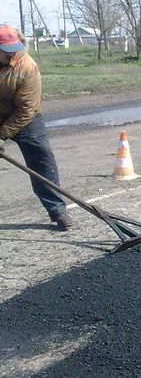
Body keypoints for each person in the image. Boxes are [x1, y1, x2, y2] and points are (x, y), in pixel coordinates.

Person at [0, 25, 73, 230]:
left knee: (42, 157)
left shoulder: (27, 66)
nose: (11, 53)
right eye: (6, 50)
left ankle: (57, 210)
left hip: (24, 118)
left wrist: (2, 135)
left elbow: (27, 108)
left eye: (13, 48)